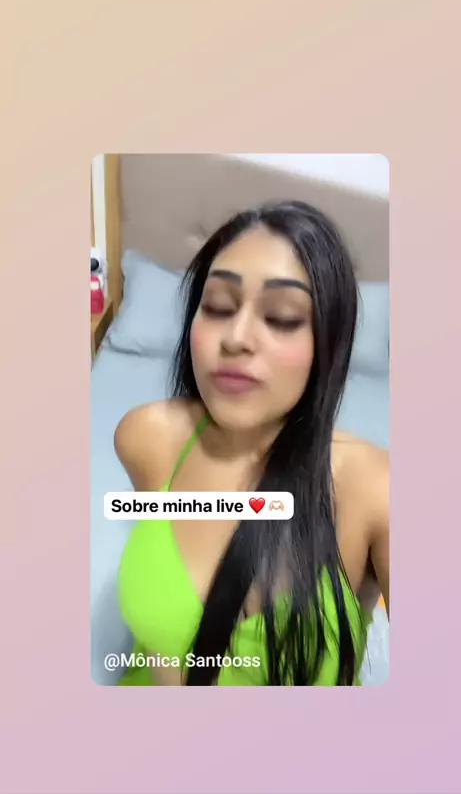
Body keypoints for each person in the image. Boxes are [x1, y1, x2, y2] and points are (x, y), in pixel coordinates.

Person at [114, 200, 389, 686]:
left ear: (330, 342)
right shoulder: (147, 436)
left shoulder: (375, 489)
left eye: (281, 317)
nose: (236, 337)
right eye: (218, 307)